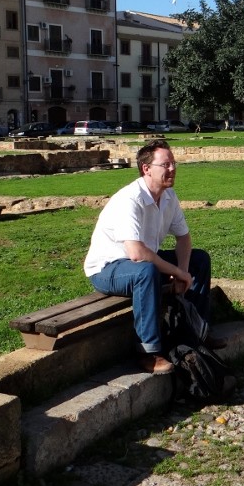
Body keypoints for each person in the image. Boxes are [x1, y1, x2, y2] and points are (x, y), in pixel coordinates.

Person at [83, 139, 216, 375]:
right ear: (147, 169)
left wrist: (183, 272)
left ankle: (196, 334)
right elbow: (136, 253)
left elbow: (183, 238)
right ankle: (149, 352)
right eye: (166, 164)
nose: (173, 169)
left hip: (143, 262)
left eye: (174, 163)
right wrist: (177, 272)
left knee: (200, 259)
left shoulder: (168, 196)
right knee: (146, 271)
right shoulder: (130, 199)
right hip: (108, 268)